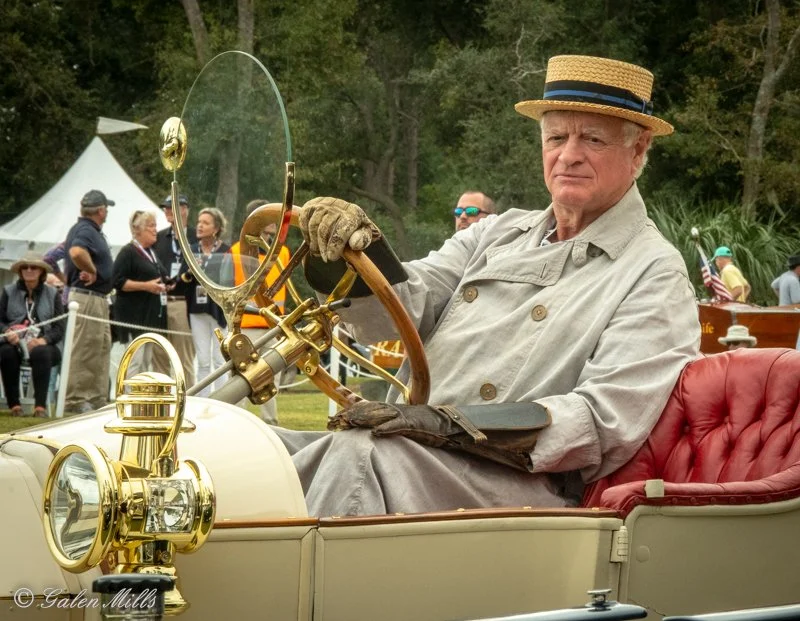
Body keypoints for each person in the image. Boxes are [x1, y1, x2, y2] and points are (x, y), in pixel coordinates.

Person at [271, 55, 701, 517]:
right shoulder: (496, 234)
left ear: (638, 151)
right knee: (244, 446)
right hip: (411, 453)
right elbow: (402, 305)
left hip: (521, 490)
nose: (568, 155)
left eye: (592, 139)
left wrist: (446, 424)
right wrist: (343, 256)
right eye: (556, 137)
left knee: (358, 455)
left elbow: (600, 420)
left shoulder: (654, 272)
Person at [229, 199, 291, 423]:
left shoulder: (282, 252)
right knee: (239, 379)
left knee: (271, 379)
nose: (275, 221)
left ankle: (271, 424)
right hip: (246, 327)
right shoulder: (236, 251)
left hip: (274, 328)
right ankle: (238, 423)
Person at [63, 189, 114, 414]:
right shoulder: (86, 229)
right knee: (85, 349)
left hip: (97, 299)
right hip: (88, 298)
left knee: (99, 348)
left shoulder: (88, 229)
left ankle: (95, 398)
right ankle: (76, 400)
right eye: (106, 209)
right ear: (101, 210)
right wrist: (91, 270)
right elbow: (76, 252)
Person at [0, 252, 65, 417]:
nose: (29, 270)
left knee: (41, 352)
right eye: (25, 267)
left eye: (33, 267)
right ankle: (14, 405)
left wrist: (43, 340)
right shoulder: (8, 291)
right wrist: (7, 332)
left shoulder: (53, 294)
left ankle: (40, 407)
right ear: (20, 271)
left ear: (41, 271)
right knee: (6, 352)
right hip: (14, 343)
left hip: (45, 345)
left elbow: (59, 327)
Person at [112, 210, 168, 375]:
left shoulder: (152, 253)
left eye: (155, 226)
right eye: (151, 226)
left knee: (145, 361)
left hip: (149, 317)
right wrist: (146, 286)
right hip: (133, 316)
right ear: (138, 230)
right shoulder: (128, 252)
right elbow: (118, 282)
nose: (155, 230)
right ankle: (129, 399)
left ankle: (140, 399)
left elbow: (161, 276)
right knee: (134, 361)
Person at [152, 194, 197, 385]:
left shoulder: (196, 236)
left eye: (172, 207)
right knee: (159, 354)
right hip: (161, 301)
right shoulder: (159, 237)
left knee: (183, 357)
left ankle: (189, 397)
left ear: (185, 210)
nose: (167, 211)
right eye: (165, 208)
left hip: (184, 302)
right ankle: (162, 397)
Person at [187, 208, 230, 396]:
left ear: (216, 228)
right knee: (203, 359)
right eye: (199, 221)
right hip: (196, 309)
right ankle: (202, 401)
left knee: (219, 359)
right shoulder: (191, 249)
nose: (199, 226)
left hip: (218, 310)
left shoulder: (225, 250)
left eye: (205, 223)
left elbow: (229, 280)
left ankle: (222, 401)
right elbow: (183, 278)